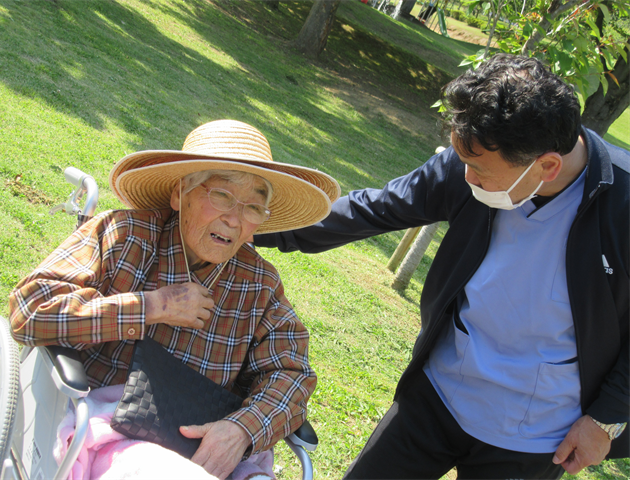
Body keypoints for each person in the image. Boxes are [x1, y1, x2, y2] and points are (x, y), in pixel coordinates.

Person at [254, 53, 630, 479]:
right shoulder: (473, 155)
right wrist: (247, 225)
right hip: (437, 394)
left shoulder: (625, 202)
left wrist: (605, 419)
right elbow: (372, 210)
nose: (466, 178)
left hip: (534, 436)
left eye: (479, 171)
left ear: (546, 166)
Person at [9, 119, 340, 480]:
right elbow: (31, 309)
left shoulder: (259, 283)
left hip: (205, 450)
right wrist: (151, 307)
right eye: (222, 196)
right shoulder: (123, 236)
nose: (233, 220)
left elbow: (291, 372)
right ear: (180, 194)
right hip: (106, 433)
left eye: (252, 207)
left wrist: (242, 429)